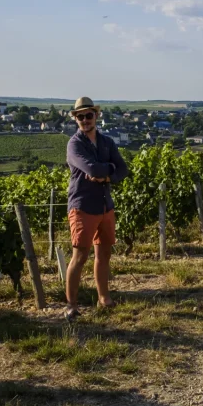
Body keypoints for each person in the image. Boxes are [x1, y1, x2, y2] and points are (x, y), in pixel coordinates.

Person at [64, 97, 129, 320]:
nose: (84, 120)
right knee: (80, 255)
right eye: (80, 116)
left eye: (88, 115)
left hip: (105, 205)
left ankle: (104, 299)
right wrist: (109, 170)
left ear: (96, 116)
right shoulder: (74, 144)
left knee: (104, 254)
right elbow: (90, 168)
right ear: (75, 119)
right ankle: (71, 305)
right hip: (83, 206)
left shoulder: (107, 142)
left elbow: (123, 169)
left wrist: (108, 172)